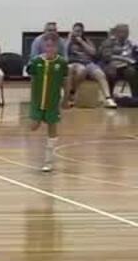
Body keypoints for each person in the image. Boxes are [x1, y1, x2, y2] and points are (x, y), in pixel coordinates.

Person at [28, 34, 69, 173]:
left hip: (53, 101)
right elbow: (32, 79)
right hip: (38, 101)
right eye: (47, 45)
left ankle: (48, 161)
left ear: (57, 47)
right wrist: (32, 98)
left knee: (52, 128)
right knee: (34, 126)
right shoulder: (36, 61)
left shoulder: (62, 63)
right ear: (44, 47)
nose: (50, 48)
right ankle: (35, 150)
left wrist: (66, 99)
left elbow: (66, 81)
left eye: (53, 46)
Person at [66, 22, 114, 108]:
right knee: (81, 71)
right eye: (76, 31)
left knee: (100, 74)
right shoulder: (68, 42)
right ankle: (72, 93)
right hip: (74, 63)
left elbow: (93, 53)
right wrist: (69, 40)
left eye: (80, 31)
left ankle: (108, 98)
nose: (77, 33)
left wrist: (82, 42)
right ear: (72, 31)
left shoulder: (87, 41)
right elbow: (63, 54)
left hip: (88, 63)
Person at [100, 24, 137, 98]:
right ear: (116, 32)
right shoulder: (109, 42)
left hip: (126, 66)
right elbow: (106, 56)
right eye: (123, 32)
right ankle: (109, 97)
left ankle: (135, 97)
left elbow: (132, 55)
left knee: (132, 72)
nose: (125, 34)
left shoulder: (129, 43)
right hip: (111, 65)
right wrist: (124, 59)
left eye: (127, 32)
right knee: (111, 71)